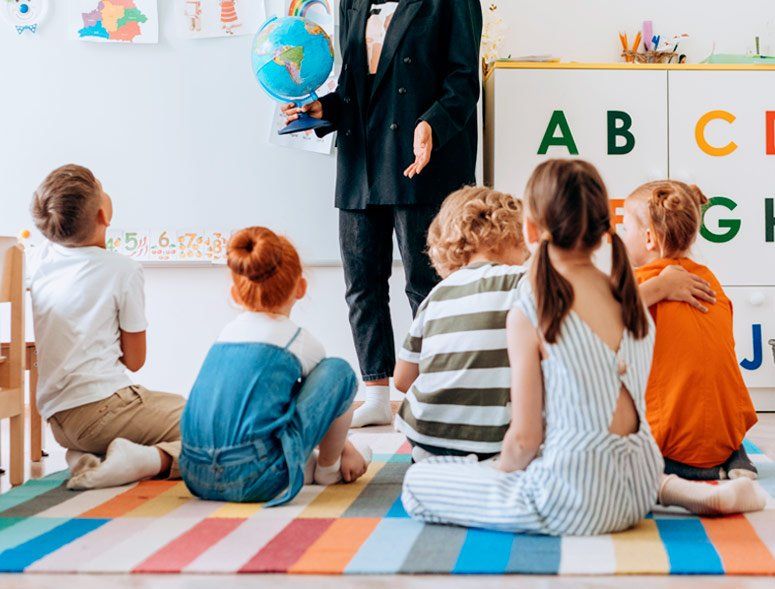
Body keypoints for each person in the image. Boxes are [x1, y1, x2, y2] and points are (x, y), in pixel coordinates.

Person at [401, 160, 766, 535]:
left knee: (420, 482)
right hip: (638, 488)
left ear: (530, 229)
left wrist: (498, 476)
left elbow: (525, 441)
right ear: (602, 228)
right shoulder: (629, 297)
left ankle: (677, 492)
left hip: (575, 502)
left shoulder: (531, 308)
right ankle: (685, 494)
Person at [283, 0, 484, 427]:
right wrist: (324, 110)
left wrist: (433, 123)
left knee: (427, 285)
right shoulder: (352, 1)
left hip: (422, 161)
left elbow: (464, 81)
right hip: (362, 162)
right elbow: (357, 88)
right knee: (362, 285)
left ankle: (434, 389)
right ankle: (375, 393)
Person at [179, 227, 372, 505]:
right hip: (253, 476)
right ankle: (329, 469)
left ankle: (304, 465)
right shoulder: (299, 341)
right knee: (339, 372)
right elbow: (325, 403)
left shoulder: (224, 337)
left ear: (235, 294)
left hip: (194, 474)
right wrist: (345, 448)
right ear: (301, 287)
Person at [29, 164, 183, 490]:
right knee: (207, 424)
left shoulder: (42, 262)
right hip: (102, 410)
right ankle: (143, 461)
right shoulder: (122, 270)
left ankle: (85, 457)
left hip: (59, 422)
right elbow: (135, 360)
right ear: (103, 214)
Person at [622, 180, 759, 480]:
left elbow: (599, 322)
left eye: (625, 229)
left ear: (648, 238)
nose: (622, 237)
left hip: (671, 451)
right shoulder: (708, 278)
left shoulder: (635, 284)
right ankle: (736, 455)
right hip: (725, 437)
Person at [393, 186, 529, 462]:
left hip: (425, 436)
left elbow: (402, 379)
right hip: (494, 441)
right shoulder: (521, 280)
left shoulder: (436, 296)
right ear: (507, 236)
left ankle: (438, 463)